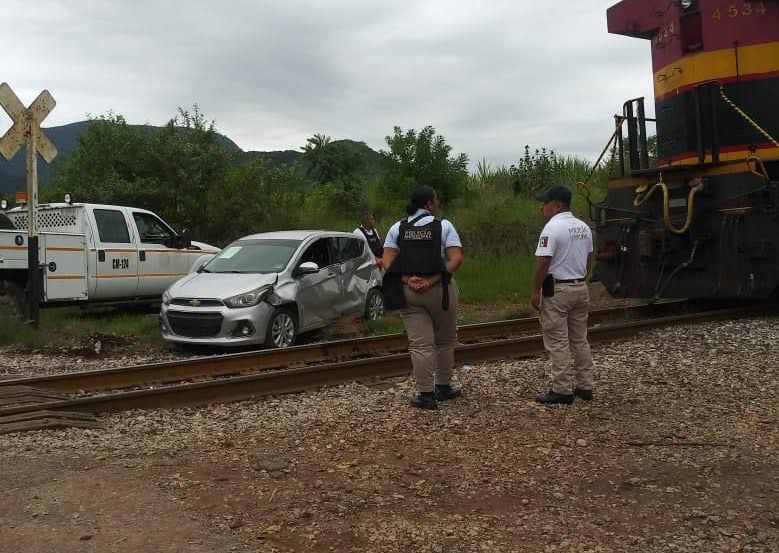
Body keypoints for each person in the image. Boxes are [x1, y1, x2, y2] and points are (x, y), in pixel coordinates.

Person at [382, 185, 464, 410]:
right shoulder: (444, 225)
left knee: (420, 344)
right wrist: (433, 280)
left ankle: (426, 395)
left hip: (409, 292)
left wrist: (407, 280)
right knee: (445, 340)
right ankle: (444, 387)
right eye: (435, 201)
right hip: (441, 291)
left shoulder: (397, 228)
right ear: (429, 204)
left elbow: (387, 262)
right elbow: (455, 259)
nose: (436, 205)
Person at [531, 185, 595, 405]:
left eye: (545, 203)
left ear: (556, 205)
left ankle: (562, 389)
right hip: (580, 287)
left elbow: (543, 261)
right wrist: (582, 277)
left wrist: (536, 289)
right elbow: (589, 256)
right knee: (580, 339)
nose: (542, 207)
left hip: (557, 290)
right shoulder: (584, 227)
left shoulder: (551, 229)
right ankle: (585, 386)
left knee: (557, 341)